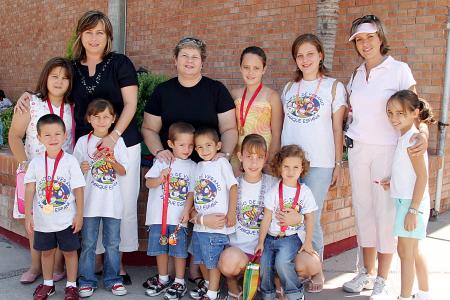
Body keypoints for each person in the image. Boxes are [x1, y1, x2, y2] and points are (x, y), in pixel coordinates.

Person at [15, 11, 141, 283]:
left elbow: (131, 103)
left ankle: (117, 263)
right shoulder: (73, 67)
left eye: (100, 33)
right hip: (85, 147)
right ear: (80, 35)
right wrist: (28, 94)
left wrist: (113, 136)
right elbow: (53, 87)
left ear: (108, 37)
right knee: (91, 202)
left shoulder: (120, 63)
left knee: (124, 204)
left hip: (123, 143)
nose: (94, 38)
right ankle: (95, 258)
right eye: (88, 32)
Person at [343, 15, 428, 299]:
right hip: (358, 151)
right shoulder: (355, 74)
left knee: (384, 214)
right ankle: (366, 273)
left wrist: (424, 134)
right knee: (363, 212)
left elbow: (418, 111)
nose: (365, 43)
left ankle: (382, 277)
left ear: (381, 37)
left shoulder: (399, 70)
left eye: (370, 37)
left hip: (387, 152)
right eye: (359, 39)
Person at [280, 33, 347, 293]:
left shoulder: (333, 87)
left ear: (320, 55)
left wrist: (338, 163)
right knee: (287, 216)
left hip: (319, 162)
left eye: (310, 54)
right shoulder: (289, 88)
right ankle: (293, 268)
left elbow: (337, 128)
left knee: (311, 217)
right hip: (289, 164)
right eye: (300, 55)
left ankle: (316, 268)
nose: (305, 59)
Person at [9, 57, 76, 284]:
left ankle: (56, 266)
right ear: (45, 77)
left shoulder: (72, 107)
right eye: (54, 76)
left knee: (59, 219)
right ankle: (35, 266)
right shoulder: (31, 103)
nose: (59, 81)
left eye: (65, 78)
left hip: (61, 178)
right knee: (35, 221)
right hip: (33, 174)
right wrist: (27, 167)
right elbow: (14, 137)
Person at [142, 36, 237, 164]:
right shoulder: (162, 91)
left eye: (195, 57)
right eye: (184, 55)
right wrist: (159, 152)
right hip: (172, 166)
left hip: (209, 166)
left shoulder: (217, 90)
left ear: (202, 62)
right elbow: (149, 129)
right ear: (175, 60)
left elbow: (229, 129)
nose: (189, 61)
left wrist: (224, 155)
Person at [23, 114, 85, 300]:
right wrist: (28, 215)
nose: (53, 139)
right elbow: (29, 189)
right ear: (39, 137)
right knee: (47, 252)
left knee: (70, 252)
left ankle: (72, 285)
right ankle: (48, 284)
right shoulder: (35, 162)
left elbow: (79, 189)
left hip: (67, 219)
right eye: (47, 135)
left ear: (65, 136)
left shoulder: (70, 161)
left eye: (57, 134)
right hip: (43, 220)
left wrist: (80, 215)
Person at [73, 99, 128, 297]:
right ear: (89, 119)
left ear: (113, 119)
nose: (102, 120)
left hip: (112, 205)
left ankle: (113, 280)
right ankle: (87, 280)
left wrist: (112, 161)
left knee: (112, 243)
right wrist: (81, 168)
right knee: (88, 243)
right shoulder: (82, 142)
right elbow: (74, 172)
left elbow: (123, 171)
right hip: (89, 205)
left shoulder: (118, 142)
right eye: (97, 116)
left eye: (106, 116)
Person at [385, 90, 433, 300]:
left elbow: (422, 177)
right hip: (407, 200)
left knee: (405, 253)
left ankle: (405, 297)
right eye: (390, 113)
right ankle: (423, 293)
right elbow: (409, 172)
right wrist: (393, 181)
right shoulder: (405, 136)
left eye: (400, 113)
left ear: (415, 113)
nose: (394, 118)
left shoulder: (413, 140)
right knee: (413, 251)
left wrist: (413, 210)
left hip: (411, 204)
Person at [218, 134, 278, 300]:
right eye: (249, 157)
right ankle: (233, 286)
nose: (253, 162)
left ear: (266, 158)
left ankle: (260, 281)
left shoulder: (274, 184)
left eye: (259, 157)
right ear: (240, 157)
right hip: (238, 251)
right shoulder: (232, 184)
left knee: (285, 262)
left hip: (264, 253)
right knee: (228, 262)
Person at [255, 145, 318, 300]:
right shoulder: (274, 191)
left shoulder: (305, 192)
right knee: (264, 265)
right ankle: (268, 294)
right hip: (270, 237)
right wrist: (261, 242)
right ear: (279, 167)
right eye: (286, 167)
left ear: (302, 168)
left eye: (295, 167)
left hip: (291, 238)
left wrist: (308, 242)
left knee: (282, 263)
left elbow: (310, 219)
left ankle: (295, 293)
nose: (291, 171)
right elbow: (267, 218)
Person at [144, 122, 196, 299]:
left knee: (178, 251)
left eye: (190, 145)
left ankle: (179, 281)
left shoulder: (193, 167)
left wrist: (187, 211)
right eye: (182, 145)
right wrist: (160, 177)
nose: (187, 149)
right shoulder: (162, 161)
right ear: (171, 144)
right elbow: (148, 183)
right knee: (161, 250)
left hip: (178, 219)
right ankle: (163, 278)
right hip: (159, 217)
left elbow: (191, 192)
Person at [190, 128, 238, 300]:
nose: (204, 150)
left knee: (212, 262)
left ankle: (212, 294)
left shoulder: (222, 163)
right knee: (201, 260)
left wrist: (232, 213)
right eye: (199, 147)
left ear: (218, 145)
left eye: (208, 145)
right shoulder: (197, 167)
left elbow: (233, 187)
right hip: (200, 226)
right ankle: (210, 286)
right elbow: (193, 194)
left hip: (217, 226)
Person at [230, 47, 282, 175]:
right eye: (246, 67)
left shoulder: (272, 96)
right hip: (239, 155)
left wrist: (269, 160)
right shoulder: (234, 94)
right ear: (240, 67)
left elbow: (276, 133)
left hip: (262, 156)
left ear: (264, 69)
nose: (250, 72)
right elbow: (230, 128)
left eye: (256, 68)